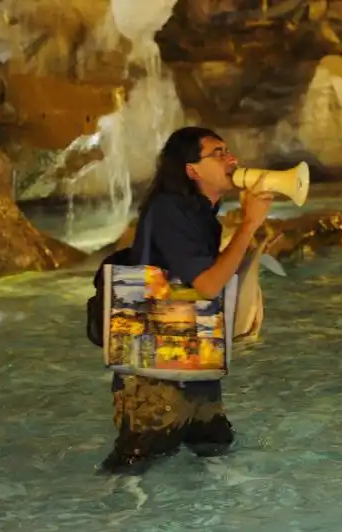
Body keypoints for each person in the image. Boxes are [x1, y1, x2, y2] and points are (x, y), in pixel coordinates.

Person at [99, 126, 273, 474]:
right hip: (154, 377)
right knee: (134, 464)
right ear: (192, 169)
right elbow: (207, 285)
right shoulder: (169, 210)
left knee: (214, 446)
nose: (231, 159)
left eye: (228, 151)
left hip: (193, 364)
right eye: (218, 153)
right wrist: (248, 224)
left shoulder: (199, 211)